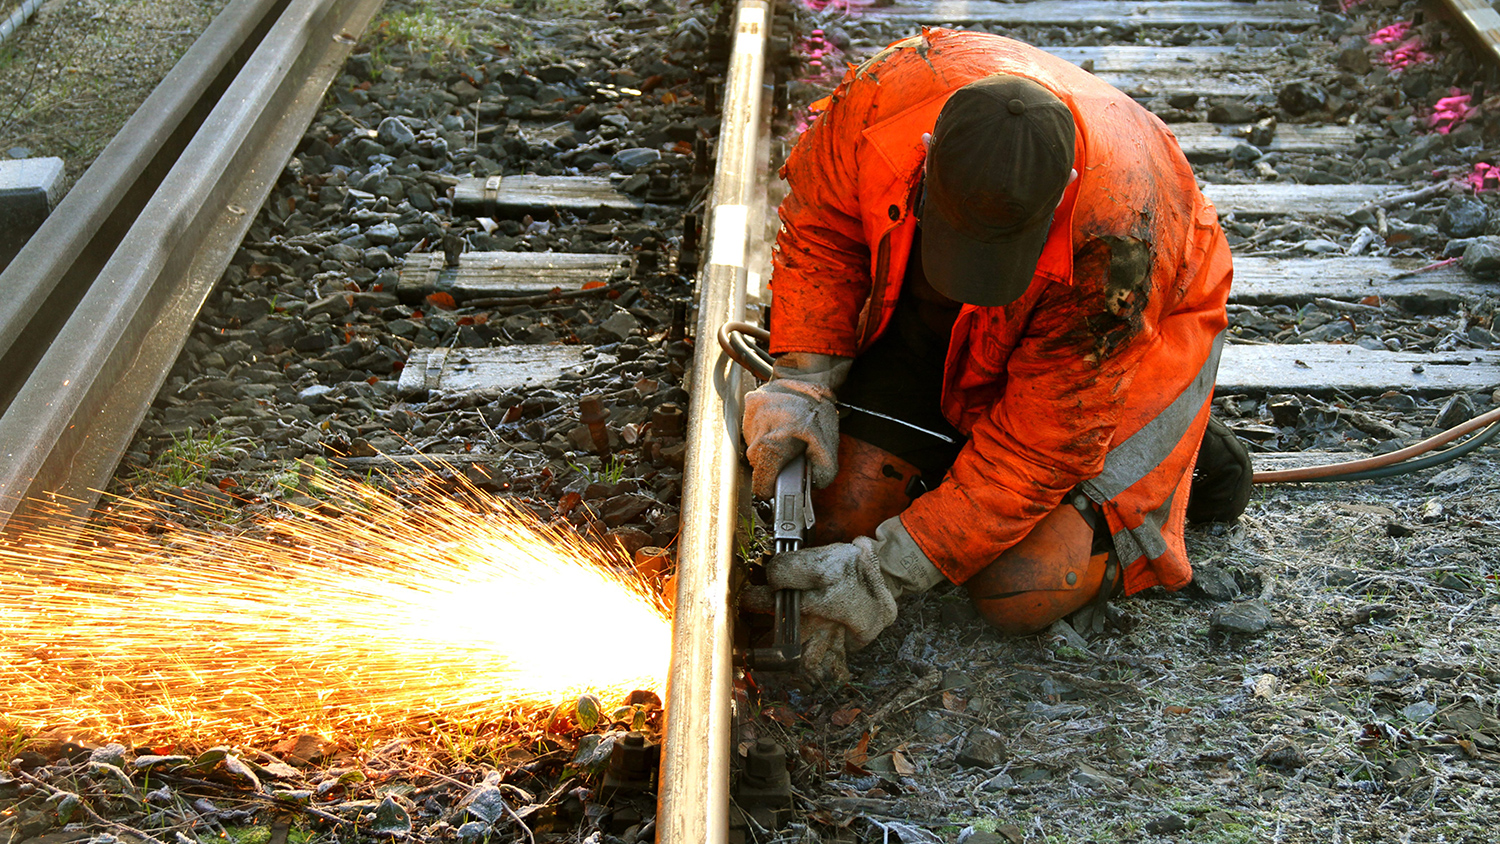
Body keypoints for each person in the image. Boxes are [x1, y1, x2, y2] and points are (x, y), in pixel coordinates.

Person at [741, 30, 1247, 681]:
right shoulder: (879, 101)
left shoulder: (1124, 244)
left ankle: (1200, 468)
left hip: (1119, 350)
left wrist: (886, 571)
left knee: (1022, 585)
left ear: (1063, 187)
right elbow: (823, 231)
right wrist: (802, 380)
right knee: (839, 514)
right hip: (968, 336)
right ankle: (968, 457)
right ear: (927, 154)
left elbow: (1038, 452)